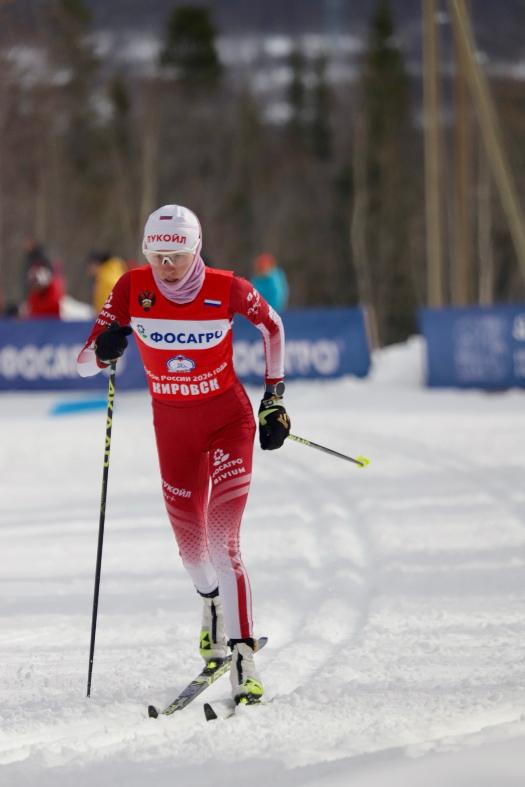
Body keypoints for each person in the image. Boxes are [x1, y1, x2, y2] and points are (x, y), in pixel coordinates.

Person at [77, 204, 290, 704]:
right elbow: (85, 364)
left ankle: (243, 657)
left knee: (223, 543)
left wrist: (273, 397)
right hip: (172, 430)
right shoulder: (131, 288)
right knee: (192, 552)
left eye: (175, 255)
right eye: (156, 256)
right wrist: (106, 348)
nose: (166, 267)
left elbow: (273, 327)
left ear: (195, 248)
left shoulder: (226, 287)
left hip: (227, 423)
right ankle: (211, 607)